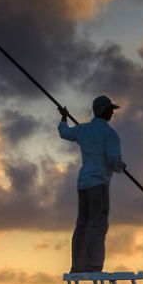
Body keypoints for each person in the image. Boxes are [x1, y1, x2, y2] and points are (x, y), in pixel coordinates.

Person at [58, 95, 125, 273]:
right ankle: (94, 266)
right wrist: (120, 166)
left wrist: (64, 117)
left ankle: (77, 266)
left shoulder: (83, 130)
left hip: (83, 184)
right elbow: (112, 160)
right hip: (98, 184)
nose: (112, 112)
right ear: (104, 111)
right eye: (111, 109)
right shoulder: (110, 134)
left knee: (82, 225)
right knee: (98, 224)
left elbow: (64, 133)